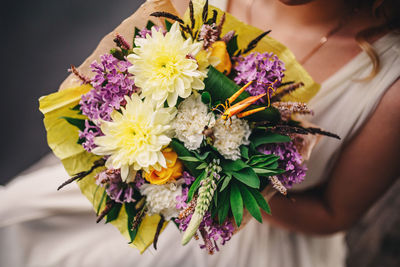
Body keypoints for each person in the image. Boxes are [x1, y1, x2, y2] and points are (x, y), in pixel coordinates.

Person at [0, 0, 399, 266]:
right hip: (142, 195)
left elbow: (335, 213)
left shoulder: (391, 86)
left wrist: (214, 190)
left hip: (263, 244)